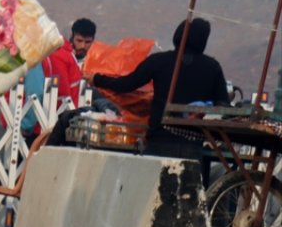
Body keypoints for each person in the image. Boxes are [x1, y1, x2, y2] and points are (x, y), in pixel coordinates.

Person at [89, 17, 229, 161]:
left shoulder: (159, 61)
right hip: (192, 144)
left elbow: (126, 84)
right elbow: (224, 106)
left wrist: (97, 79)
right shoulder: (212, 67)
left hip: (159, 140)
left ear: (178, 34)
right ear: (203, 41)